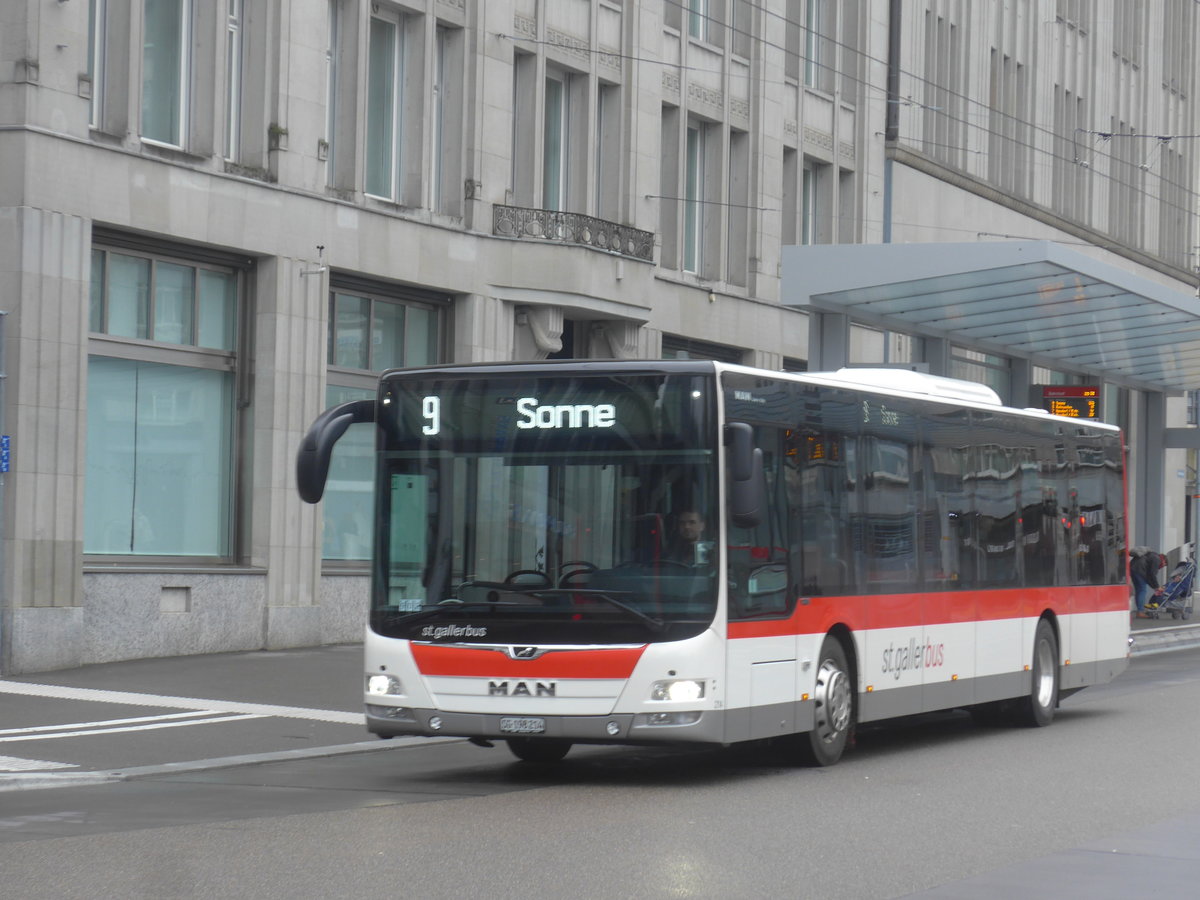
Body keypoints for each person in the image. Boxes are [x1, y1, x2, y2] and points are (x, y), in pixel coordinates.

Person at [1129, 546, 1160, 619]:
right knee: (1142, 590)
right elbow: (1152, 574)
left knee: (1139, 590)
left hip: (1132, 567)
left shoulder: (1150, 555)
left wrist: (1154, 587)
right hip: (1139, 569)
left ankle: (1139, 611)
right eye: (1164, 565)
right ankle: (1140, 612)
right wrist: (1157, 587)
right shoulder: (1157, 559)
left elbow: (1149, 576)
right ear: (1164, 561)